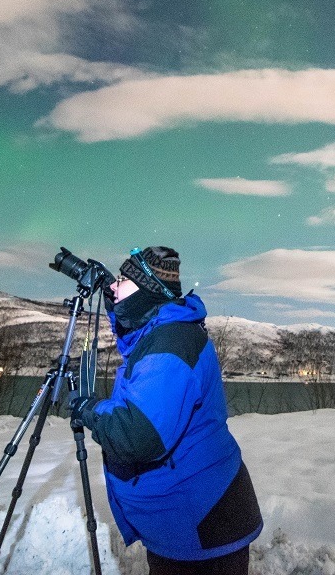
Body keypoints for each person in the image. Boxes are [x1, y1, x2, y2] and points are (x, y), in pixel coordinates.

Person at [68, 246, 262, 575]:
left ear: (147, 290)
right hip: (186, 522)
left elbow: (138, 434)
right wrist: (109, 294)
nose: (114, 288)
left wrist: (88, 409)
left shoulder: (172, 342)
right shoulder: (162, 332)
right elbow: (133, 330)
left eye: (122, 281)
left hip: (202, 525)